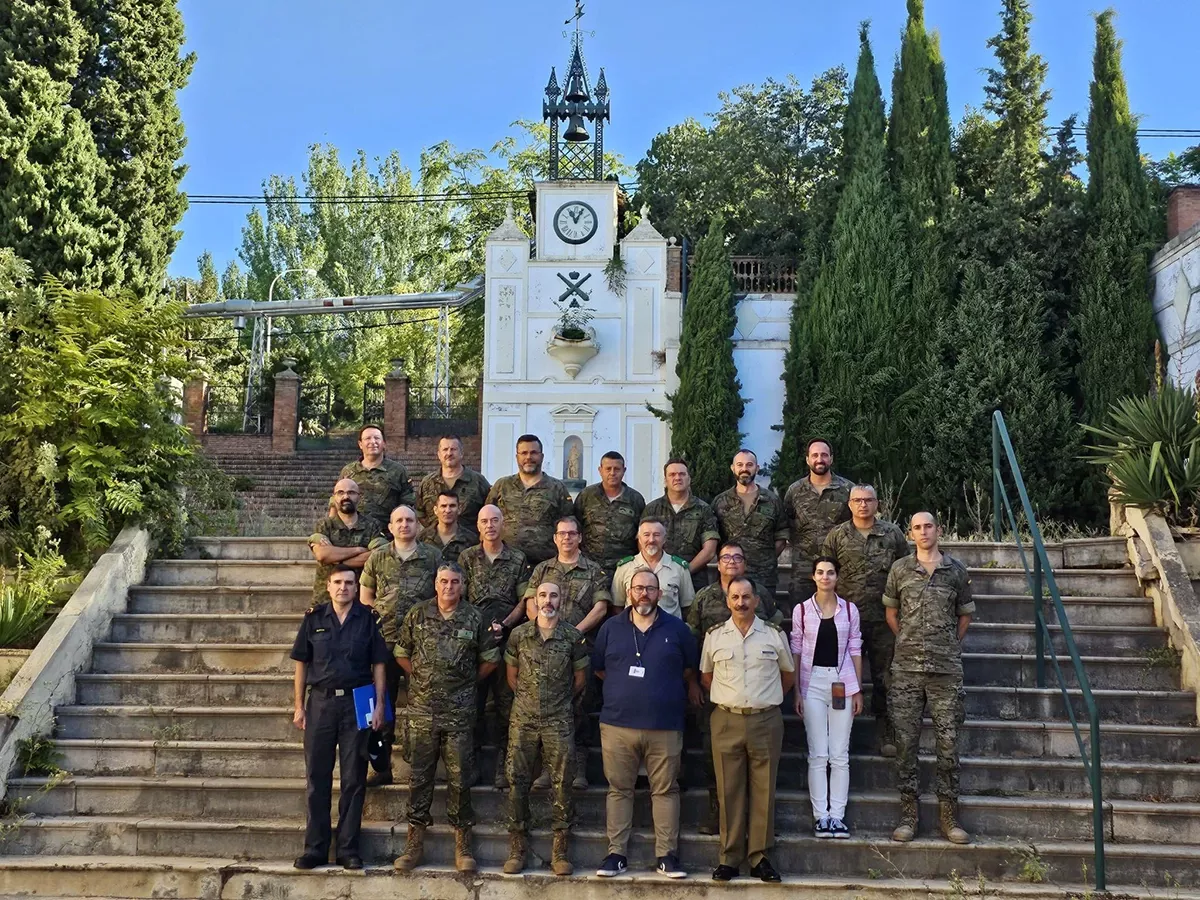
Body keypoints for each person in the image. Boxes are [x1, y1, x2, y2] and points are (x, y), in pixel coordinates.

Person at [592, 569, 701, 880]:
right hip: (617, 724)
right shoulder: (610, 628)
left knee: (665, 790)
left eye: (650, 588)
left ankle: (667, 855)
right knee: (618, 789)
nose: (644, 593)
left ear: (660, 593)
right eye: (638, 588)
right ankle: (616, 854)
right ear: (629, 592)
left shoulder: (678, 629)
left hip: (664, 724)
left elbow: (689, 669)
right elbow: (599, 668)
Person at [392, 563, 500, 873]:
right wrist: (421, 679)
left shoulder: (474, 617)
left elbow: (491, 660)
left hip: (460, 713)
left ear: (462, 586)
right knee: (420, 778)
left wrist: (465, 684)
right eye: (443, 581)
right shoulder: (418, 614)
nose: (449, 586)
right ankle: (414, 842)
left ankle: (462, 842)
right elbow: (401, 653)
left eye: (454, 582)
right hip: (423, 712)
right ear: (435, 584)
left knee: (459, 777)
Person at [290, 565, 388, 870]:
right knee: (317, 779)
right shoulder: (314, 618)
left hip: (357, 703)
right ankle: (315, 849)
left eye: (349, 583)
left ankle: (348, 849)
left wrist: (381, 705)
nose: (343, 587)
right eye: (337, 582)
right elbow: (301, 664)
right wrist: (298, 705)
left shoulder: (368, 620)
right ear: (328, 586)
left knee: (353, 779)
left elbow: (379, 665)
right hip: (320, 703)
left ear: (356, 587)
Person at [885, 511, 974, 845]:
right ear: (910, 533)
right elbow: (891, 613)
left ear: (939, 529)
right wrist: (909, 640)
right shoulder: (900, 569)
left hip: (945, 671)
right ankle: (909, 815)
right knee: (906, 746)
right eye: (917, 527)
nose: (923, 532)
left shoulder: (956, 571)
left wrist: (948, 643)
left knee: (948, 746)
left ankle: (949, 817)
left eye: (928, 526)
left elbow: (964, 616)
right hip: (906, 669)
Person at [701, 576, 794, 882]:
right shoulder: (715, 636)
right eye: (735, 597)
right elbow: (706, 676)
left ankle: (761, 857)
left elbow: (787, 675)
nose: (741, 602)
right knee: (728, 789)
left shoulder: (773, 635)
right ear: (728, 601)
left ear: (756, 600)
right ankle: (729, 857)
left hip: (765, 720)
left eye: (746, 597)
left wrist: (763, 701)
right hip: (726, 719)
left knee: (764, 789)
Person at [686, 540, 776, 834]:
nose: (732, 562)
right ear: (718, 563)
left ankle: (753, 818)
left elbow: (775, 635)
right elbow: (692, 641)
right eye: (726, 558)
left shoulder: (759, 594)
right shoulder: (704, 597)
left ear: (745, 564)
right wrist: (694, 682)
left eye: (738, 558)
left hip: (753, 690)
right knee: (715, 758)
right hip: (713, 690)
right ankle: (719, 814)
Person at [502, 580, 589, 876]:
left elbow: (580, 679)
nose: (548, 600)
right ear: (535, 601)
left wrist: (558, 702)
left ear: (561, 599)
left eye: (553, 595)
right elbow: (512, 677)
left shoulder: (572, 637)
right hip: (523, 719)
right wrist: (529, 701)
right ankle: (517, 847)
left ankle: (560, 849)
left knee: (563, 782)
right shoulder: (519, 635)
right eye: (542, 595)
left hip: (559, 718)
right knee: (517, 781)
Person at [523, 516, 611, 788]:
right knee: (550, 707)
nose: (567, 538)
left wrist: (573, 634)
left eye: (572, 534)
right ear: (555, 538)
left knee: (581, 705)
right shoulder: (542, 570)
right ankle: (549, 768)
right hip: (545, 649)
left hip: (581, 647)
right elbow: (529, 603)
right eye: (562, 534)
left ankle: (580, 767)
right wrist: (547, 631)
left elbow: (601, 608)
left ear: (580, 537)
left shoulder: (594, 570)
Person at [821, 484, 909, 756]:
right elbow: (826, 574)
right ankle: (841, 736)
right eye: (857, 500)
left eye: (868, 500)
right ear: (849, 504)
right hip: (847, 620)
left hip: (884, 619)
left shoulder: (892, 533)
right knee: (839, 677)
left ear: (877, 503)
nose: (862, 504)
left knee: (886, 677)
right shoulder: (837, 536)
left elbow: (905, 572)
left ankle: (886, 732)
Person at [358, 504, 441, 786]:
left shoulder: (432, 556)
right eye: (398, 521)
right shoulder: (378, 557)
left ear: (418, 526)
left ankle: (421, 767)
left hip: (423, 644)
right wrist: (378, 621)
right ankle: (380, 766)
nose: (404, 524)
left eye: (409, 520)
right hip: (384, 641)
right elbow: (365, 596)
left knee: (423, 707)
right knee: (378, 705)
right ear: (390, 527)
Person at [789, 556, 863, 839]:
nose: (825, 577)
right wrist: (797, 689)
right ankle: (821, 817)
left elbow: (855, 647)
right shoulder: (802, 610)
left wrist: (857, 688)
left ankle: (838, 817)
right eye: (820, 572)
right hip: (812, 682)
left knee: (839, 754)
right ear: (813, 577)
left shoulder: (849, 609)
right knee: (818, 753)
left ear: (837, 577)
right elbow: (796, 648)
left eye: (830, 573)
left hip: (842, 681)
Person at [458, 504, 531, 788]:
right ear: (477, 526)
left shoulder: (517, 558)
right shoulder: (466, 558)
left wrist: (507, 625)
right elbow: (459, 596)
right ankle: (471, 762)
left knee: (506, 705)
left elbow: (524, 600)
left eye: (495, 520)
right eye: (484, 520)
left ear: (503, 524)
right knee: (472, 705)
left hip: (506, 640)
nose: (489, 525)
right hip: (473, 642)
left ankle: (504, 766)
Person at [783, 438, 853, 610]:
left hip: (839, 568)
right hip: (803, 568)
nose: (819, 459)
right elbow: (786, 522)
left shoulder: (848, 489)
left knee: (839, 618)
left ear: (831, 458)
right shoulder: (795, 490)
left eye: (824, 455)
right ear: (807, 459)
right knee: (801, 618)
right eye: (815, 455)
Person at [712, 449, 788, 602]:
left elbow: (781, 536)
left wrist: (766, 559)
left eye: (749, 464)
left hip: (764, 577)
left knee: (764, 618)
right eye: (739, 465)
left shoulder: (772, 500)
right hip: (729, 577)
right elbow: (713, 538)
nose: (744, 469)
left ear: (757, 468)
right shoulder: (720, 502)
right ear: (733, 468)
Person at [486, 434, 574, 564]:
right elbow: (485, 520)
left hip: (545, 565)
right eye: (524, 453)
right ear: (517, 457)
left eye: (533, 453)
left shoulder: (557, 488)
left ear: (542, 456)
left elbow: (570, 524)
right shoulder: (502, 486)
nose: (528, 457)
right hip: (505, 564)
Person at [642, 458, 720, 590]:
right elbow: (642, 543)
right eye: (672, 475)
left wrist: (684, 572)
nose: (677, 478)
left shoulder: (703, 509)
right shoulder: (652, 509)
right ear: (665, 481)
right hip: (658, 580)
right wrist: (658, 571)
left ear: (689, 479)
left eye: (682, 474)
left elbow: (709, 550)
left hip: (693, 580)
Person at [307, 478, 384, 604]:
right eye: (340, 493)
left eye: (351, 493)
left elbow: (376, 556)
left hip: (361, 597)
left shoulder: (372, 525)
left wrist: (336, 559)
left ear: (359, 497)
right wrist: (358, 550)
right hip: (326, 599)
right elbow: (322, 555)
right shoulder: (324, 525)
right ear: (334, 497)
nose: (346, 496)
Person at [574, 451, 646, 578]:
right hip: (589, 567)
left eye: (617, 469)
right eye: (608, 469)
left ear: (624, 471)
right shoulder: (586, 496)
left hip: (624, 568)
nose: (612, 473)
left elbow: (641, 534)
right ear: (600, 470)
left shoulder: (635, 499)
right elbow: (575, 527)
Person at [611, 518, 695, 619]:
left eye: (657, 535)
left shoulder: (679, 568)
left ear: (664, 539)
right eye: (646, 535)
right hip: (633, 631)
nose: (651, 540)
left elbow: (688, 606)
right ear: (639, 539)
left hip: (669, 630)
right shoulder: (624, 568)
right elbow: (617, 606)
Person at [340, 425, 415, 531]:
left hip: (386, 536)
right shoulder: (348, 471)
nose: (372, 442)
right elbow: (336, 502)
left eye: (377, 438)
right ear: (360, 444)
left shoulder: (398, 471)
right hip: (353, 533)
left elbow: (408, 505)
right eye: (367, 438)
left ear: (384, 443)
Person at [416, 434, 491, 527]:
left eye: (453, 449)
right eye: (445, 449)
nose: (449, 453)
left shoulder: (478, 481)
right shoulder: (427, 483)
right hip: (433, 540)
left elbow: (490, 510)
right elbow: (419, 512)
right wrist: (432, 531)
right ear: (439, 454)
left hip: (469, 540)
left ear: (461, 453)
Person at [418, 490, 479, 565]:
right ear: (435, 510)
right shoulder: (422, 539)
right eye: (443, 506)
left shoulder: (472, 540)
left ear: (459, 509)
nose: (448, 510)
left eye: (452, 506)